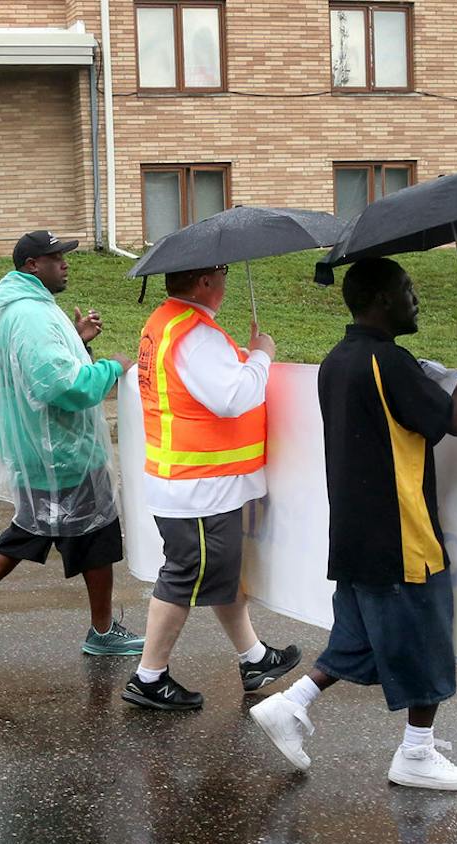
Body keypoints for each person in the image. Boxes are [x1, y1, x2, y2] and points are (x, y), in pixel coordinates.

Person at [249, 258, 457, 791]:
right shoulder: (388, 362)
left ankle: (292, 705)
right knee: (425, 638)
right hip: (401, 532)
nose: (415, 298)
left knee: (358, 636)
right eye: (407, 289)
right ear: (381, 300)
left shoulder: (339, 359)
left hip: (355, 531)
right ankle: (416, 754)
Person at [0, 230, 145, 657]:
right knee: (97, 534)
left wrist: (78, 341)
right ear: (32, 265)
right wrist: (110, 367)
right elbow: (61, 386)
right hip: (60, 450)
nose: (65, 263)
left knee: (31, 530)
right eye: (56, 257)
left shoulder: (22, 309)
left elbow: (36, 369)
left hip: (40, 449)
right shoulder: (31, 314)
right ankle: (102, 632)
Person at [123, 265, 299, 710]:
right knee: (184, 576)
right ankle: (149, 677)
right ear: (204, 283)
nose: (225, 282)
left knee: (219, 572)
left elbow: (197, 385)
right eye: (220, 275)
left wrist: (237, 357)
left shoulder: (168, 321)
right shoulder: (196, 335)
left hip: (189, 479)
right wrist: (261, 355)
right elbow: (232, 398)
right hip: (199, 485)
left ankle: (254, 657)